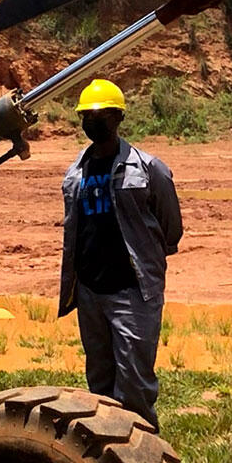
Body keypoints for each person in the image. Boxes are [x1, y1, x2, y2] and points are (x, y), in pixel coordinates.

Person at [59, 79, 183, 426]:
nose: (94, 122)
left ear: (118, 117)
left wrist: (150, 261)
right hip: (90, 293)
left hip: (132, 291)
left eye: (102, 114)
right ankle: (107, 453)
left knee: (134, 386)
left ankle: (144, 458)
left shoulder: (148, 168)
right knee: (99, 382)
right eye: (87, 116)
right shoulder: (74, 175)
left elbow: (170, 226)